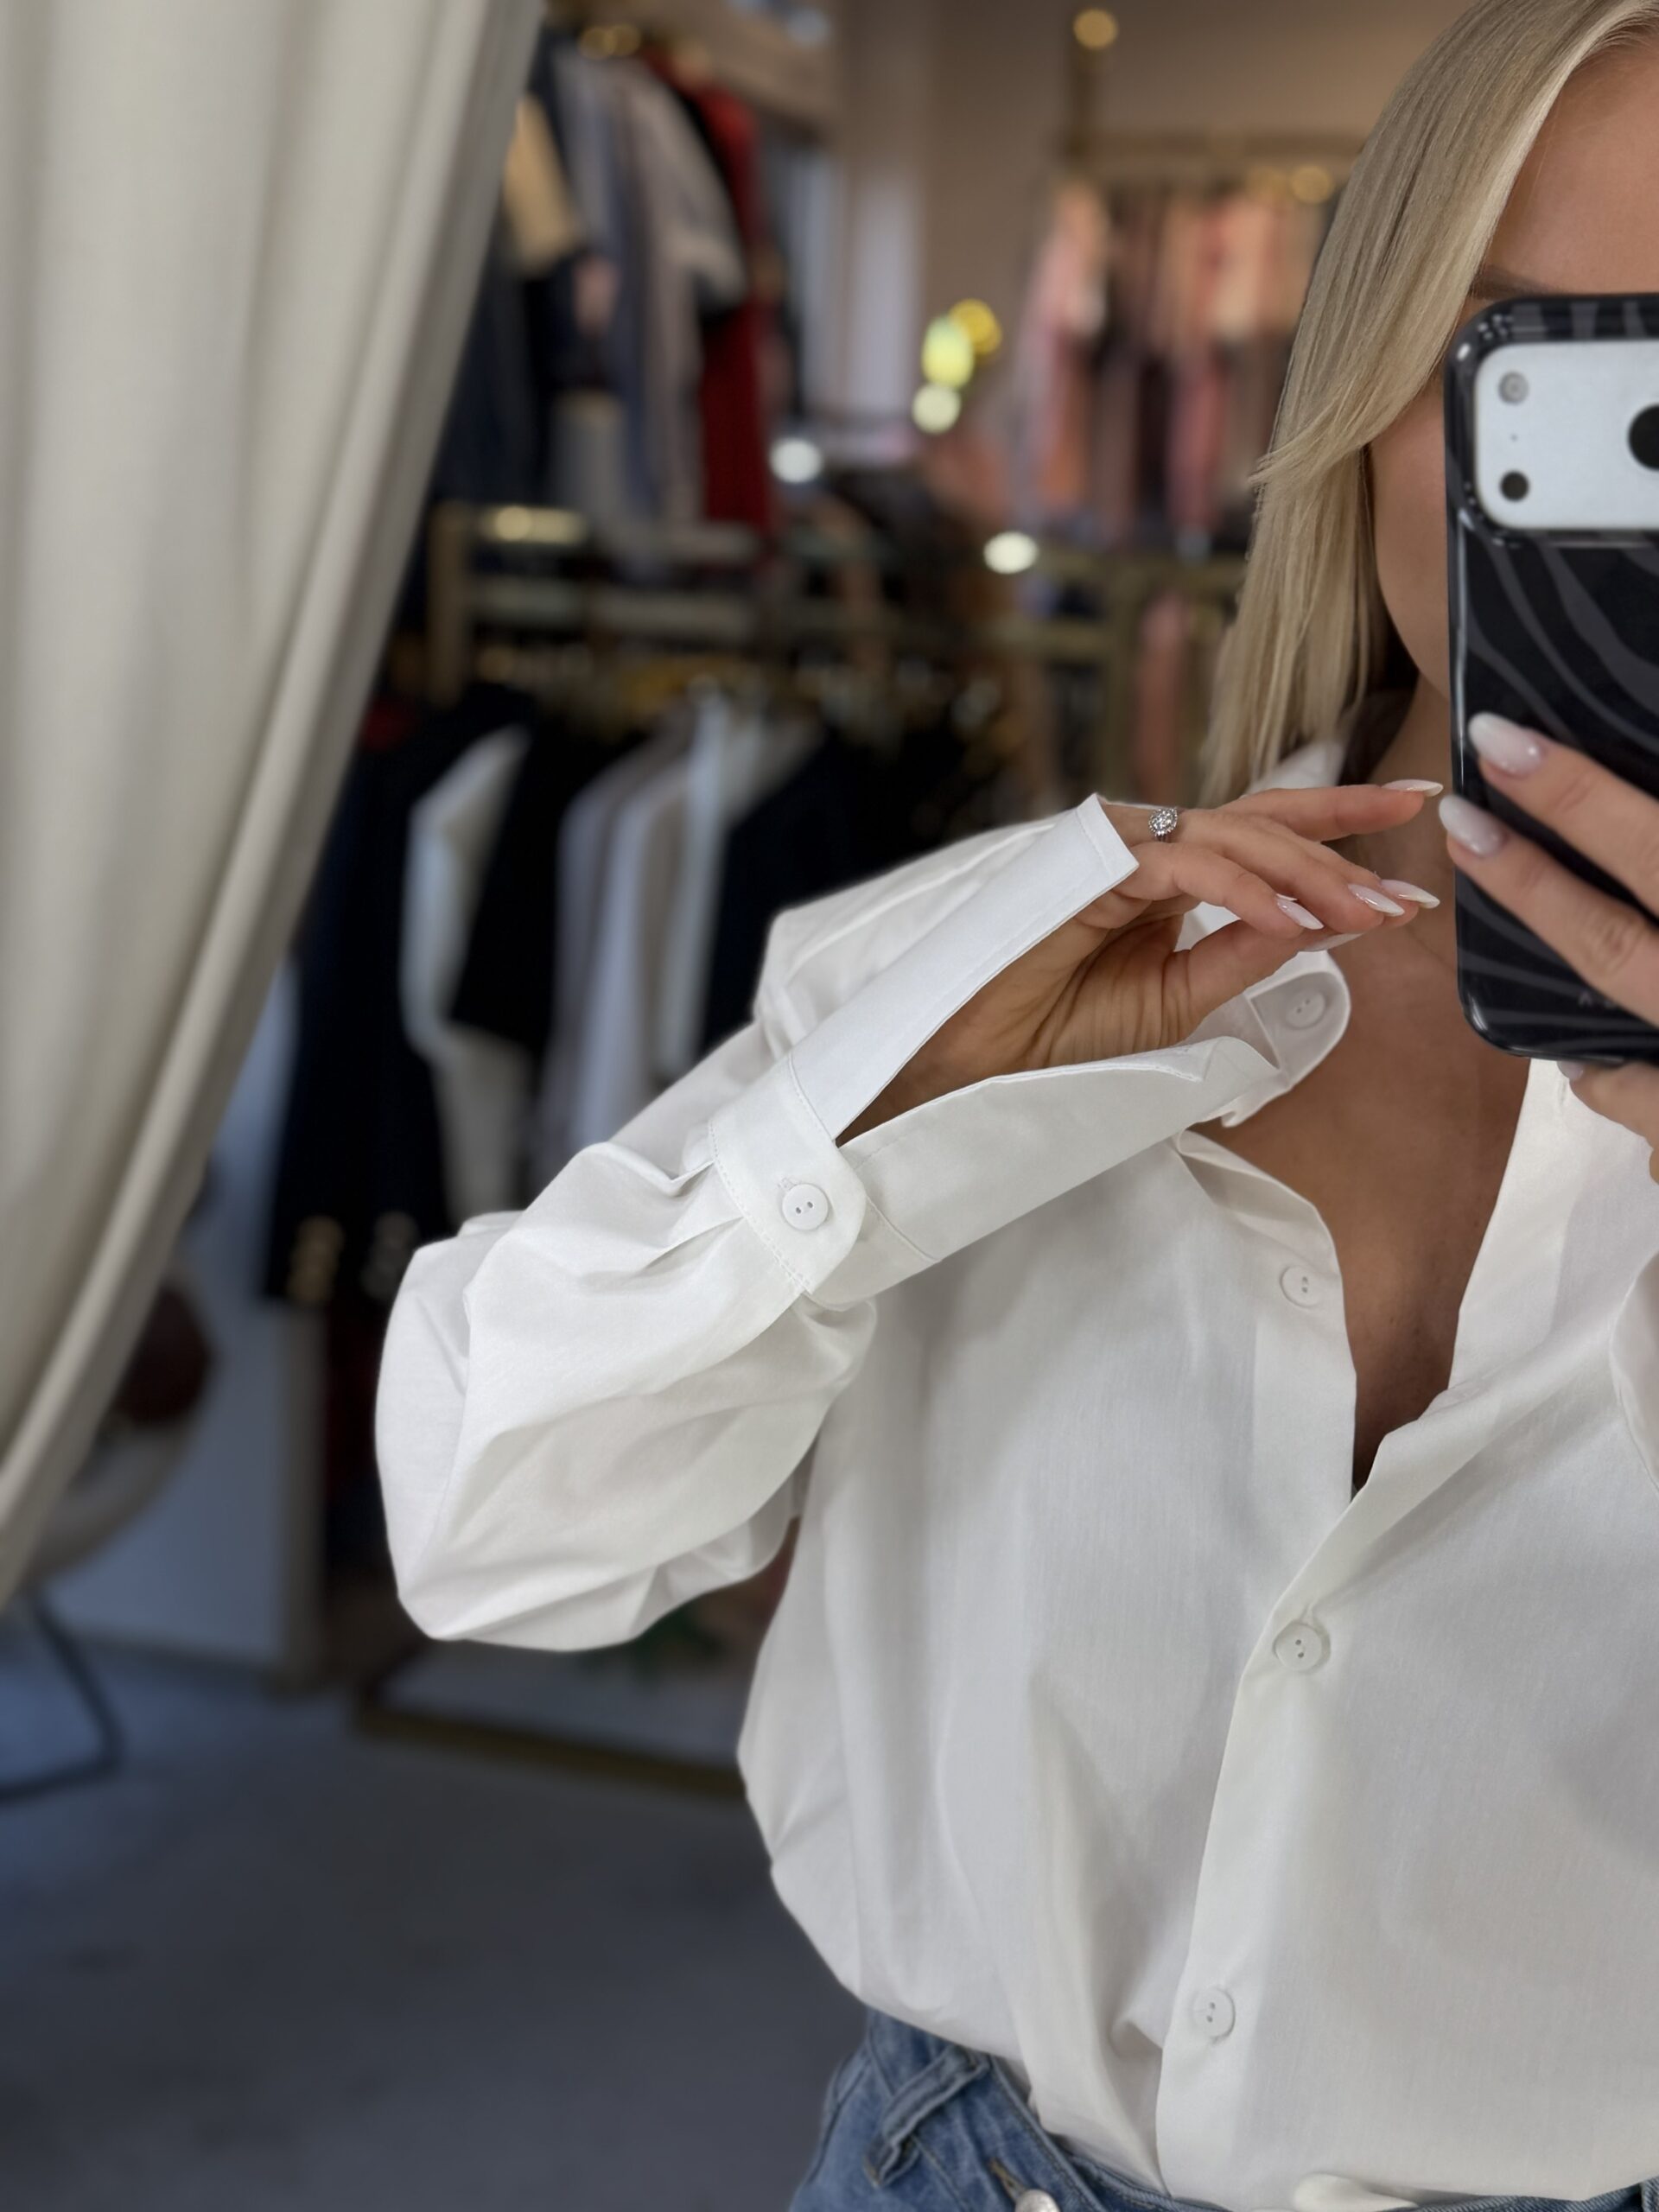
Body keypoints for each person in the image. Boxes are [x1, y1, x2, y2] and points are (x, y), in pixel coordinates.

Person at [374, 4, 1659, 2209]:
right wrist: (884, 1135)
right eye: (1530, 357)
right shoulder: (984, 957)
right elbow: (493, 1522)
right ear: (1368, 390)